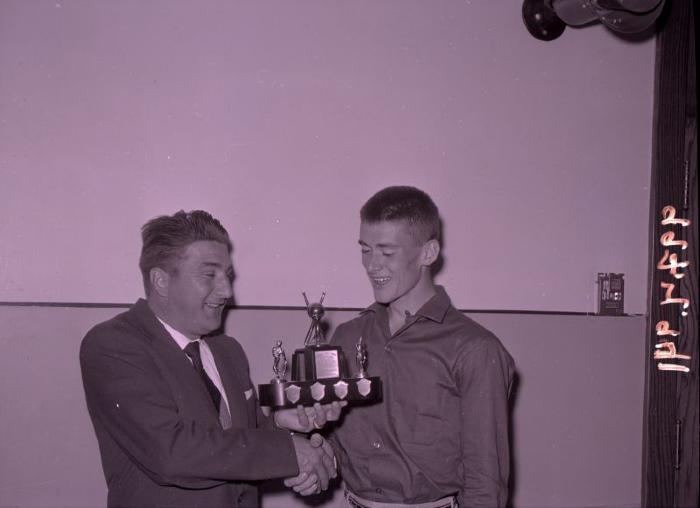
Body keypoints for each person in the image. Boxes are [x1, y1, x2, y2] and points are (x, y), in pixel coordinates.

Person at [80, 210, 339, 508]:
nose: (227, 291)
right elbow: (172, 452)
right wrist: (289, 453)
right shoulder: (113, 345)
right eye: (209, 275)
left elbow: (241, 447)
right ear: (160, 281)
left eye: (227, 276)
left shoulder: (228, 351)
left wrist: (285, 427)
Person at [327, 186, 515, 508]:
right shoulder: (346, 338)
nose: (372, 266)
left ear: (428, 253)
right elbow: (332, 442)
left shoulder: (476, 351)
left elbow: (485, 484)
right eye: (365, 250)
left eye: (386, 253)